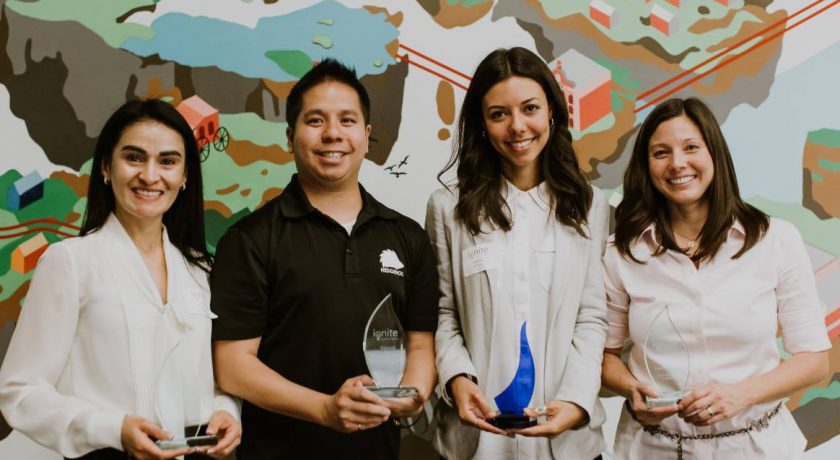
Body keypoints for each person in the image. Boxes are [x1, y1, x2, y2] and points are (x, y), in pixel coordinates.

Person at [210, 59, 439, 459]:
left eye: (347, 121)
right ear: (289, 136)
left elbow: (420, 345)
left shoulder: (407, 236)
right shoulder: (249, 240)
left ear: (366, 136)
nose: (333, 134)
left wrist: (413, 395)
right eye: (315, 121)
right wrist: (324, 409)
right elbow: (232, 365)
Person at [0, 99, 241, 460]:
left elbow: (218, 379)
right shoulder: (70, 262)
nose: (150, 175)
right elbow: (19, 390)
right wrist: (111, 427)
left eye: (168, 161)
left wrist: (226, 411)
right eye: (134, 157)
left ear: (186, 176)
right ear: (106, 169)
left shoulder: (201, 272)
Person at [601, 97, 830, 459]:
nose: (678, 163)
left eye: (691, 147)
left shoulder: (775, 239)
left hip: (756, 448)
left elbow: (815, 361)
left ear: (715, 155)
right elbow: (604, 357)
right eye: (661, 153)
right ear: (647, 166)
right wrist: (630, 387)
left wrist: (743, 394)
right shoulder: (622, 252)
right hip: (653, 448)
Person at [427, 47, 609, 459]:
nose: (517, 127)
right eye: (499, 114)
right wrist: (457, 379)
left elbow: (591, 313)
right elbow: (443, 312)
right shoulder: (447, 206)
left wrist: (577, 401)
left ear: (552, 113)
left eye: (530, 108)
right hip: (476, 438)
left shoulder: (590, 205)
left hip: (567, 441)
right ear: (482, 124)